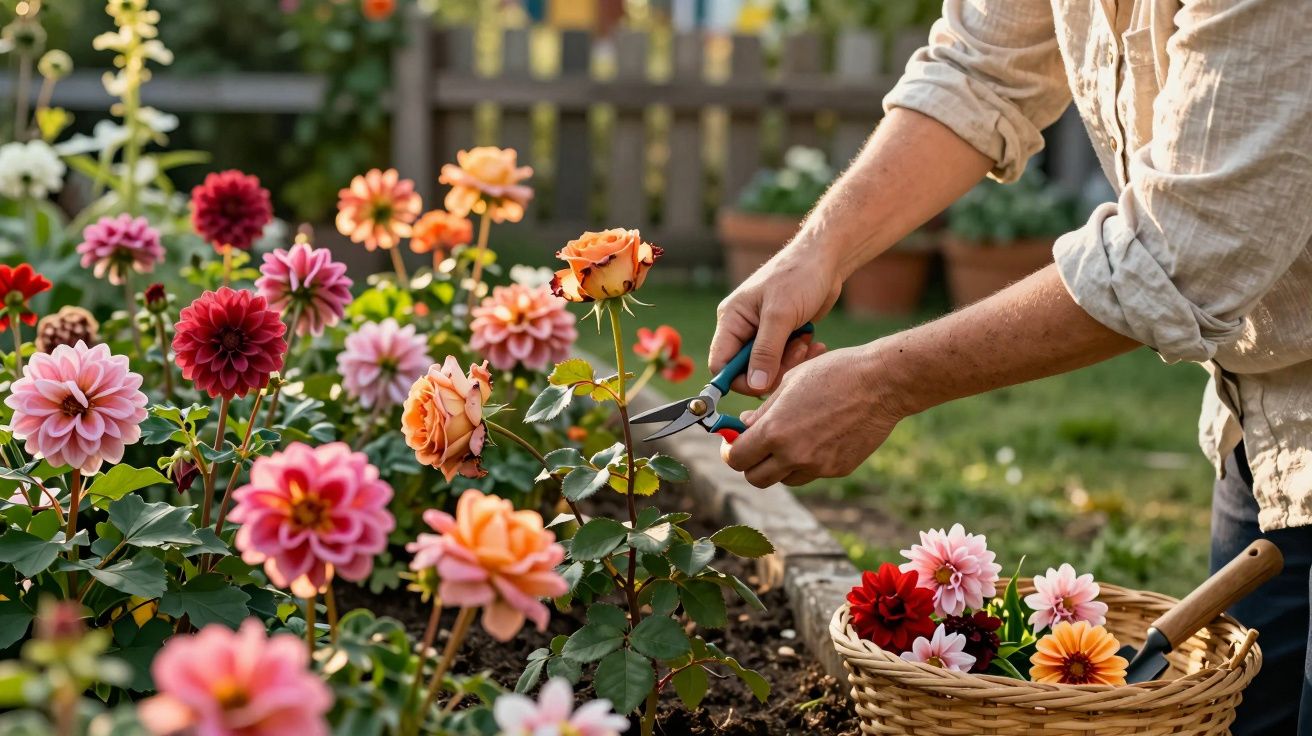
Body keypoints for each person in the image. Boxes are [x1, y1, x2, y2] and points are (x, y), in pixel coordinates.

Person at [707, 0, 1312, 732]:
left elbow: (1182, 250)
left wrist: (879, 384)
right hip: (1267, 430)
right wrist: (817, 252)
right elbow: (981, 68)